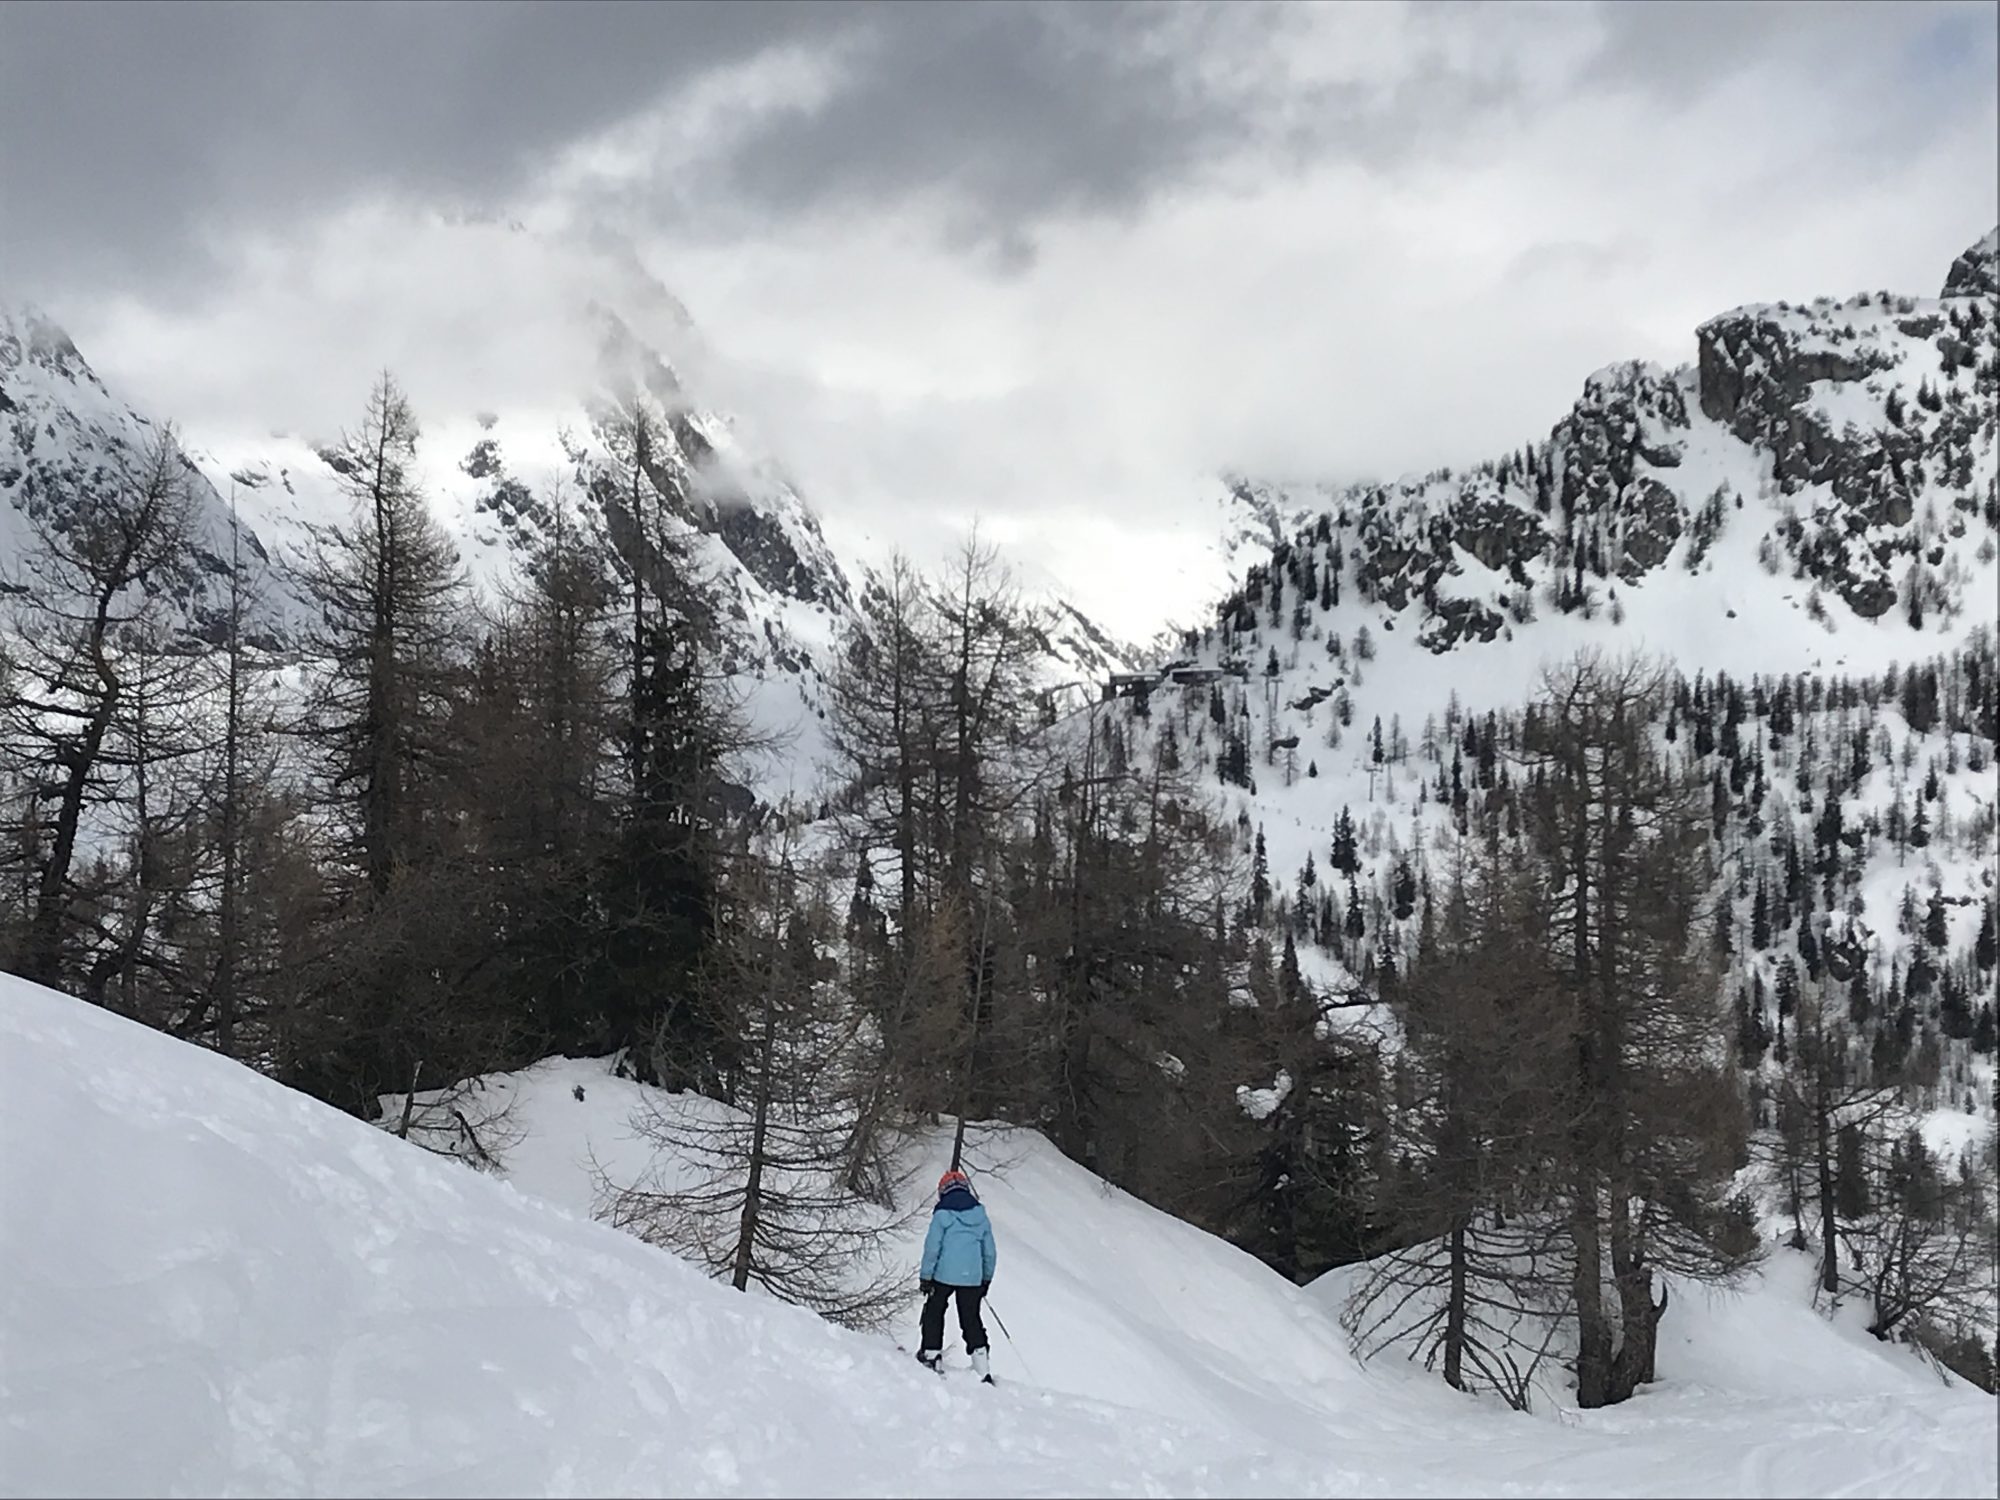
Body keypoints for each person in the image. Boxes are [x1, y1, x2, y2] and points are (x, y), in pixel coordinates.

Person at [916, 1167, 997, 1381]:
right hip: (972, 1276)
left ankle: (932, 1354)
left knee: (934, 1310)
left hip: (943, 1274)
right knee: (971, 1318)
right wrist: (986, 1278)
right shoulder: (980, 1215)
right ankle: (982, 1366)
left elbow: (933, 1248)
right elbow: (989, 1252)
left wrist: (926, 1276)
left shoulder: (942, 1214)